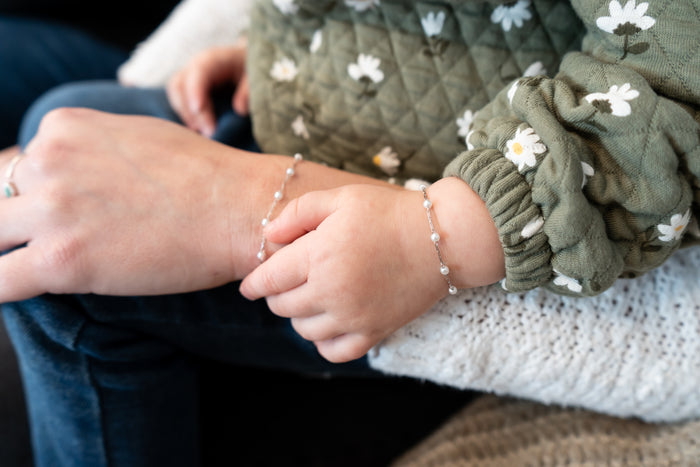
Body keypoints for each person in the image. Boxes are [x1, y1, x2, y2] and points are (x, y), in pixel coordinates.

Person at [1, 0, 698, 465]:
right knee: (68, 118)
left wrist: (440, 231)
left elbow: (671, 64)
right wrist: (295, 59)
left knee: (68, 266)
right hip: (331, 120)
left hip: (481, 209)